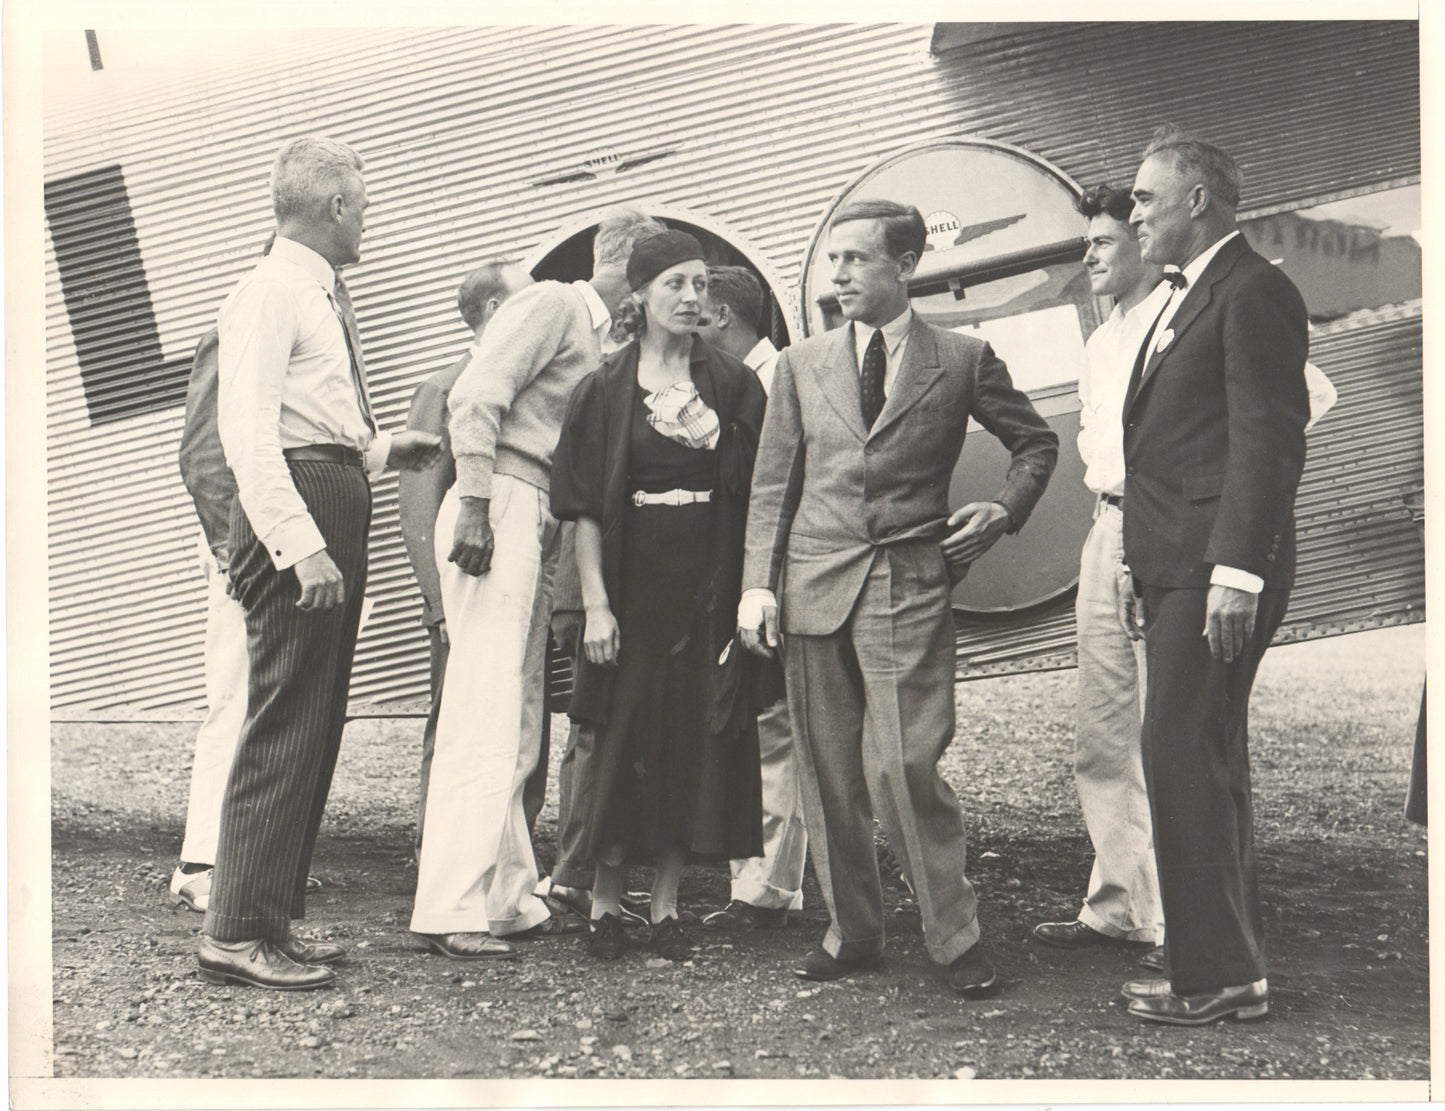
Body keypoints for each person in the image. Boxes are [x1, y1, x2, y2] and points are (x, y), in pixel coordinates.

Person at [738, 199, 1058, 995]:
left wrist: (1003, 508)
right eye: (833, 260)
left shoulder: (961, 357)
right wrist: (755, 586)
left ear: (905, 264)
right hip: (810, 585)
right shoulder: (800, 363)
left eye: (857, 259)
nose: (839, 273)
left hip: (907, 581)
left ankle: (954, 936)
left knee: (904, 766)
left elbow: (1036, 442)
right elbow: (773, 484)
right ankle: (853, 930)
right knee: (827, 771)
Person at [200, 136, 442, 991]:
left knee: (314, 718)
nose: (368, 219)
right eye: (364, 205)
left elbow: (319, 420)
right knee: (285, 717)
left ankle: (268, 918)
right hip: (300, 505)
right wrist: (300, 545)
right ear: (335, 207)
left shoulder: (312, 292)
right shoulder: (270, 293)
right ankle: (233, 930)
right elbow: (249, 435)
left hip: (330, 487)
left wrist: (380, 449)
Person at [408, 208, 666, 960]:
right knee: (484, 709)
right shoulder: (553, 304)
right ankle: (449, 906)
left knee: (517, 711)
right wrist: (479, 505)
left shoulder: (594, 336)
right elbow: (476, 393)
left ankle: (506, 895)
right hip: (505, 502)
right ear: (630, 269)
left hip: (533, 513)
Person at [1118, 125, 1310, 1024]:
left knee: (1179, 750)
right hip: (1177, 560)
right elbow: (1172, 445)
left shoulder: (1254, 290)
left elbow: (1268, 439)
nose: (1132, 214)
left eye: (1145, 198)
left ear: (1198, 200)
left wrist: (1235, 569)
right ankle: (1232, 962)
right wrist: (1139, 562)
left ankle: (1218, 975)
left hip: (1216, 565)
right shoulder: (1184, 294)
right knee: (1204, 751)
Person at [551, 230, 768, 962]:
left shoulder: (734, 384)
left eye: (701, 284)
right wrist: (598, 605)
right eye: (674, 283)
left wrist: (747, 594)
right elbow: (580, 505)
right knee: (622, 739)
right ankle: (606, 905)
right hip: (630, 583)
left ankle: (667, 905)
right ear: (639, 293)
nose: (690, 297)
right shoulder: (602, 390)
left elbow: (759, 494)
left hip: (704, 585)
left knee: (691, 739)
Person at [1032, 187, 1168, 962]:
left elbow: (1299, 402)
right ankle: (1118, 905)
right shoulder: (1101, 340)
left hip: (1160, 529)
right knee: (1103, 732)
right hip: (1104, 526)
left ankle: (1180, 918)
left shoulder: (1184, 320)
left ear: (1144, 243)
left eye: (1104, 241)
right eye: (1086, 242)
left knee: (1166, 728)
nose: (1088, 256)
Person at [397, 259, 534, 856]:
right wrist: (438, 602)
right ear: (496, 312)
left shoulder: (528, 385)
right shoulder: (445, 387)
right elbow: (420, 506)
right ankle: (442, 852)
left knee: (519, 719)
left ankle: (509, 850)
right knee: (454, 719)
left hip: (516, 593)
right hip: (462, 591)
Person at [695, 265, 806, 930]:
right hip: (747, 578)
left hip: (772, 578)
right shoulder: (747, 382)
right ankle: (758, 880)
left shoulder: (771, 383)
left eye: (694, 314)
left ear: (723, 320)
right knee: (755, 719)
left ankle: (766, 889)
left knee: (770, 723)